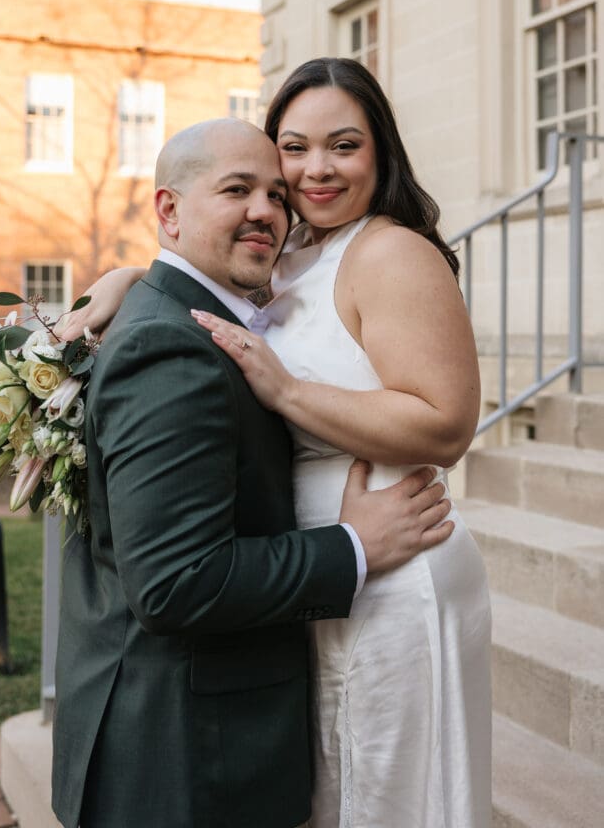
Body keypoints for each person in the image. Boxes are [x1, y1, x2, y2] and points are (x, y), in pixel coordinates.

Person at [68, 60, 492, 828]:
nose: (314, 170)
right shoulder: (290, 258)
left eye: (344, 145)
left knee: (385, 801)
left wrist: (289, 394)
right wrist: (134, 276)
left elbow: (447, 425)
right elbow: (211, 279)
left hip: (392, 566)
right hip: (313, 581)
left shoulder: (390, 251)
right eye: (292, 149)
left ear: (380, 153)